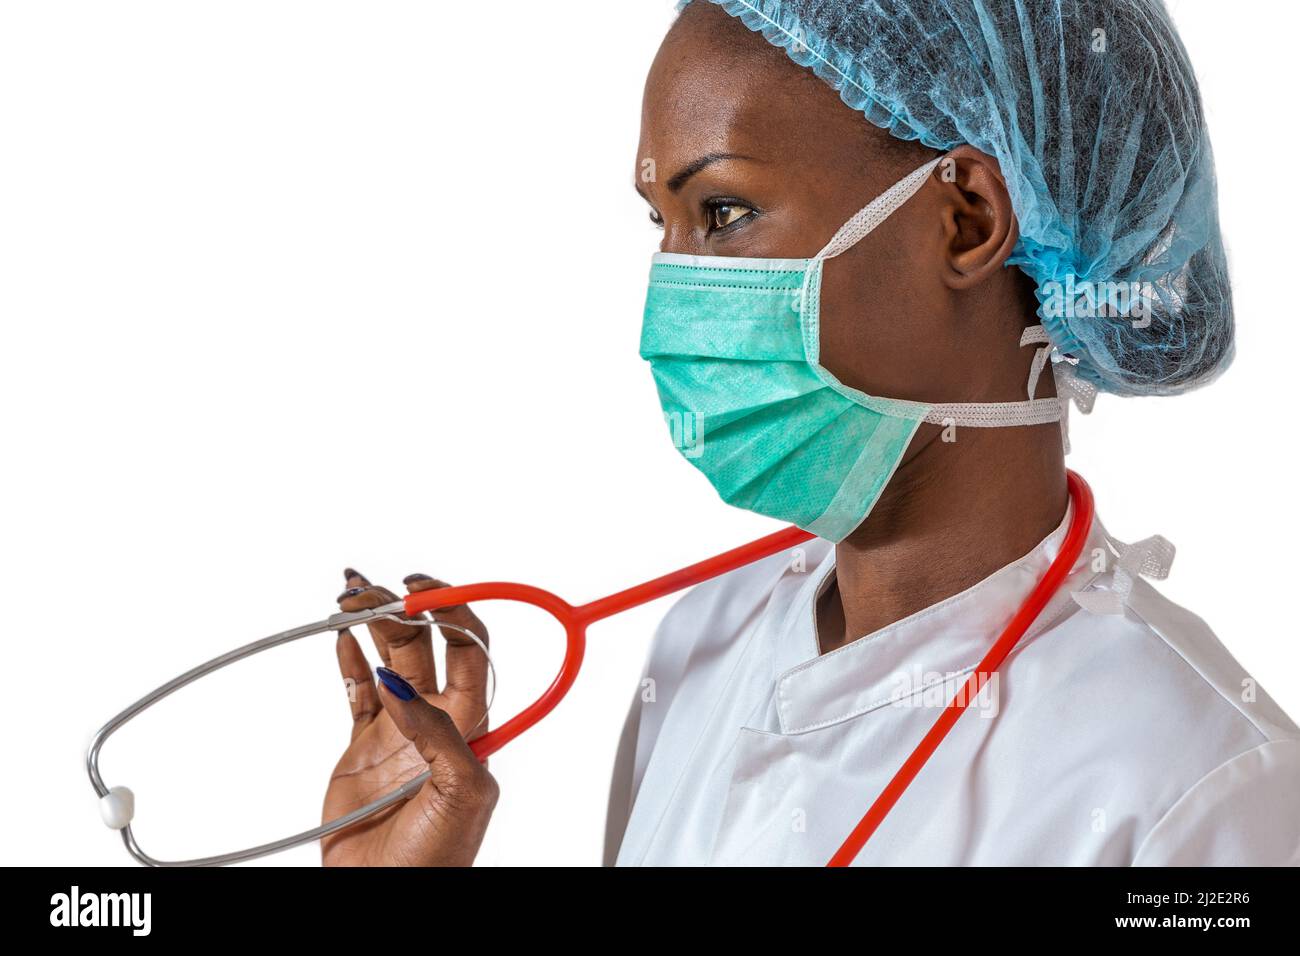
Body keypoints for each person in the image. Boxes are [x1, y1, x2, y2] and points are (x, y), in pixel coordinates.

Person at [318, 0, 1300, 866]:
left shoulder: (1198, 785)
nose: (672, 297)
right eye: (659, 222)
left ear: (964, 219)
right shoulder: (704, 643)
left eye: (723, 211)